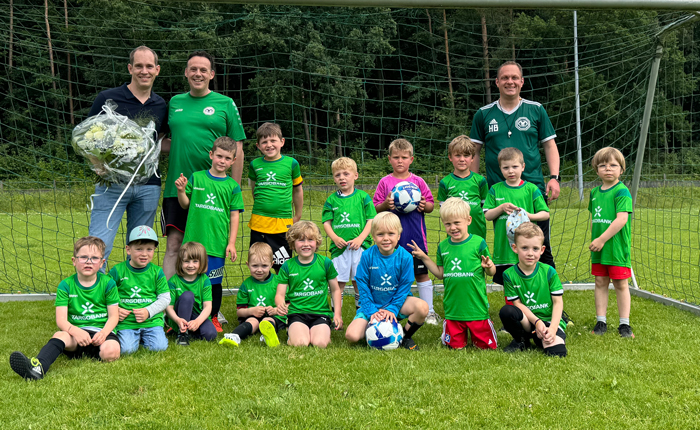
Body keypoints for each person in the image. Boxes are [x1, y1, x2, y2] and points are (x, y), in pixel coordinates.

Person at [162, 50, 247, 290]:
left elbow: (238, 147)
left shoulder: (225, 103)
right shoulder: (175, 102)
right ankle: (169, 304)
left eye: (203, 70)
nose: (198, 74)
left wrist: (235, 187)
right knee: (174, 246)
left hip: (214, 189)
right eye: (193, 69)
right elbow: (167, 142)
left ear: (211, 74)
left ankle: (209, 302)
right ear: (186, 73)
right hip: (177, 186)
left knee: (208, 248)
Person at [470, 61, 560, 269]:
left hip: (533, 187)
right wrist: (474, 184)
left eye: (514, 78)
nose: (509, 82)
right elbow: (474, 152)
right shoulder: (483, 114)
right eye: (505, 78)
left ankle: (550, 293)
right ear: (497, 82)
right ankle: (513, 294)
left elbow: (549, 145)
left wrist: (554, 178)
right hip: (499, 193)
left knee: (539, 244)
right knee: (509, 247)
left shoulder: (536, 110)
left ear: (522, 82)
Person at [87, 46, 167, 272]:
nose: (144, 71)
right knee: (98, 245)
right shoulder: (107, 98)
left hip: (148, 187)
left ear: (157, 70)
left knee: (141, 249)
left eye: (149, 66)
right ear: (130, 68)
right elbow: (87, 135)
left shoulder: (161, 105)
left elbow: (159, 140)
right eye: (139, 66)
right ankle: (93, 300)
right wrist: (98, 165)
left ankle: (134, 297)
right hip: (111, 186)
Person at [9, 237, 120, 380]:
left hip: (100, 334)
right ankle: (38, 368)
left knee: (111, 351)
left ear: (101, 263)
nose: (88, 261)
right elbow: (61, 320)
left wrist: (104, 333)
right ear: (74, 261)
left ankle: (96, 352)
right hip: (75, 335)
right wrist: (75, 331)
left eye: (94, 258)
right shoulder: (65, 285)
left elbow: (113, 316)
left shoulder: (108, 283)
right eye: (83, 257)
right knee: (60, 335)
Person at [174, 137, 244, 332]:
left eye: (227, 158)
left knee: (214, 284)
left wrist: (231, 243)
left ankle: (213, 317)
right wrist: (181, 190)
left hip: (216, 244)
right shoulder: (197, 177)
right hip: (193, 243)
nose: (222, 161)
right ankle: (179, 319)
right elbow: (185, 204)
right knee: (187, 280)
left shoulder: (232, 186)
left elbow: (234, 215)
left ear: (233, 161)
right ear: (211, 155)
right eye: (219, 156)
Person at [409, 198, 497, 350]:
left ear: (468, 220)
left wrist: (489, 266)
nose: (453, 228)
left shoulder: (478, 243)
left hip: (476, 308)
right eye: (448, 224)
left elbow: (491, 271)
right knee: (453, 347)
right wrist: (424, 257)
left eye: (457, 223)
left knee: (486, 348)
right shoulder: (443, 246)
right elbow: (440, 274)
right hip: (453, 310)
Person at [373, 139, 438, 325]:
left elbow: (431, 205)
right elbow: (375, 208)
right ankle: (392, 308)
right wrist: (386, 205)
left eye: (404, 157)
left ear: (411, 159)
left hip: (415, 237)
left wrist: (425, 206)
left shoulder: (418, 181)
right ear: (389, 159)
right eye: (396, 157)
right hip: (391, 239)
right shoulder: (385, 182)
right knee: (394, 274)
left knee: (421, 273)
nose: (400, 161)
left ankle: (430, 311)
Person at [345, 212, 429, 350]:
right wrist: (371, 310)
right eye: (380, 234)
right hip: (373, 303)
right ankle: (373, 328)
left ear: (398, 236)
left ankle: (405, 336)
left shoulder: (406, 257)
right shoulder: (367, 256)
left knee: (422, 307)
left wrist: (392, 308)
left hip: (397, 302)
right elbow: (362, 284)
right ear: (373, 236)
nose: (386, 238)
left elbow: (404, 286)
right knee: (352, 336)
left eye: (391, 234)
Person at [499, 223, 567, 357]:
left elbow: (558, 302)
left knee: (557, 353)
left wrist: (552, 329)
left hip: (548, 321)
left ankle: (540, 336)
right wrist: (536, 322)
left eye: (535, 249)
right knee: (507, 311)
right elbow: (517, 304)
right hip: (528, 321)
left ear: (542, 250)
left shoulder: (549, 271)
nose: (530, 253)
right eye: (524, 248)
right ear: (515, 248)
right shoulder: (509, 274)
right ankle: (521, 340)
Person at [484, 148, 549, 286]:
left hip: (527, 246)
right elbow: (488, 215)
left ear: (523, 167)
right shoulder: (495, 189)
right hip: (503, 249)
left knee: (526, 280)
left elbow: (545, 214)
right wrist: (501, 208)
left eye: (515, 166)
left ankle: (527, 305)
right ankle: (511, 307)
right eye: (506, 167)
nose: (511, 171)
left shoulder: (531, 189)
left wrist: (527, 215)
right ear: (500, 168)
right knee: (507, 281)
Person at [588, 147, 634, 338]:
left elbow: (621, 219)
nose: (608, 168)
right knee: (600, 281)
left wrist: (601, 239)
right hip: (599, 247)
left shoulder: (622, 191)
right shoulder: (594, 193)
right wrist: (596, 240)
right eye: (603, 165)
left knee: (621, 284)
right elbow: (594, 219)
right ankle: (601, 322)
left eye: (613, 165)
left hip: (615, 248)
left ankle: (624, 325)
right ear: (596, 169)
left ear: (621, 170)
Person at [275, 221, 343, 348]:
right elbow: (280, 294)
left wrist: (337, 314)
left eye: (310, 240)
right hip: (297, 313)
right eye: (301, 240)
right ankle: (292, 332)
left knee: (319, 343)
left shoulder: (325, 262)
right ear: (293, 244)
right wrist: (280, 305)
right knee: (301, 343)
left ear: (316, 242)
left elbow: (335, 290)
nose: (306, 244)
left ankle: (322, 334)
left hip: (320, 313)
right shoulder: (287, 266)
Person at [248, 122, 304, 272]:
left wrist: (297, 215)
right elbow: (254, 189)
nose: (269, 145)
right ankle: (261, 293)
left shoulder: (291, 164)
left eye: (273, 140)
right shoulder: (254, 164)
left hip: (282, 224)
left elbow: (297, 191)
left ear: (282, 142)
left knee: (282, 267)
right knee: (259, 265)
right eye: (264, 142)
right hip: (259, 223)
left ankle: (283, 295)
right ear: (258, 146)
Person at [322, 157, 376, 310]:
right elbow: (326, 222)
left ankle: (362, 313)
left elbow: (371, 220)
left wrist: (360, 238)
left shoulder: (363, 197)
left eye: (346, 174)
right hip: (340, 249)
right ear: (334, 178)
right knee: (338, 282)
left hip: (360, 247)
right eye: (337, 175)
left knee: (359, 281)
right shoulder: (331, 200)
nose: (342, 178)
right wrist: (335, 237)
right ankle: (335, 316)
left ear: (355, 175)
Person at [109, 226, 169, 354]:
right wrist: (116, 311)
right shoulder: (117, 271)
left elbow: (165, 298)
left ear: (154, 250)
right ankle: (134, 338)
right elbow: (104, 294)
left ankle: (144, 337)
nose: (144, 254)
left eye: (149, 249)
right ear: (128, 249)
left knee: (159, 348)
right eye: (139, 249)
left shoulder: (157, 272)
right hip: (126, 322)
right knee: (127, 350)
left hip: (151, 321)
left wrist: (148, 311)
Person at [220, 242, 285, 348]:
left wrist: (275, 310)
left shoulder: (278, 282)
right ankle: (234, 336)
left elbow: (288, 306)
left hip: (273, 315)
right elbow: (239, 312)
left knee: (268, 321)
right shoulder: (246, 285)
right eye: (255, 266)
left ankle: (268, 335)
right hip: (252, 315)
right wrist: (251, 311)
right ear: (247, 264)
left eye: (264, 266)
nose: (259, 270)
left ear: (272, 264)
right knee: (252, 321)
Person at [437, 135, 489, 239]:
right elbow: (444, 212)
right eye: (458, 155)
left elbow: (485, 208)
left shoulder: (480, 181)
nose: (462, 159)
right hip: (454, 234)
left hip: (477, 232)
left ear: (473, 158)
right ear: (450, 157)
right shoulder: (445, 182)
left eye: (466, 155)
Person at [165, 242, 217, 345]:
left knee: (210, 335)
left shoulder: (205, 280)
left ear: (201, 262)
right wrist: (177, 320)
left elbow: (207, 307)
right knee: (187, 295)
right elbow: (169, 307)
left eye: (195, 261)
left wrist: (197, 322)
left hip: (197, 316)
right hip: (179, 316)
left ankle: (189, 330)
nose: (190, 265)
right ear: (180, 262)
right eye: (186, 261)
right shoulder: (173, 281)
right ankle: (181, 333)